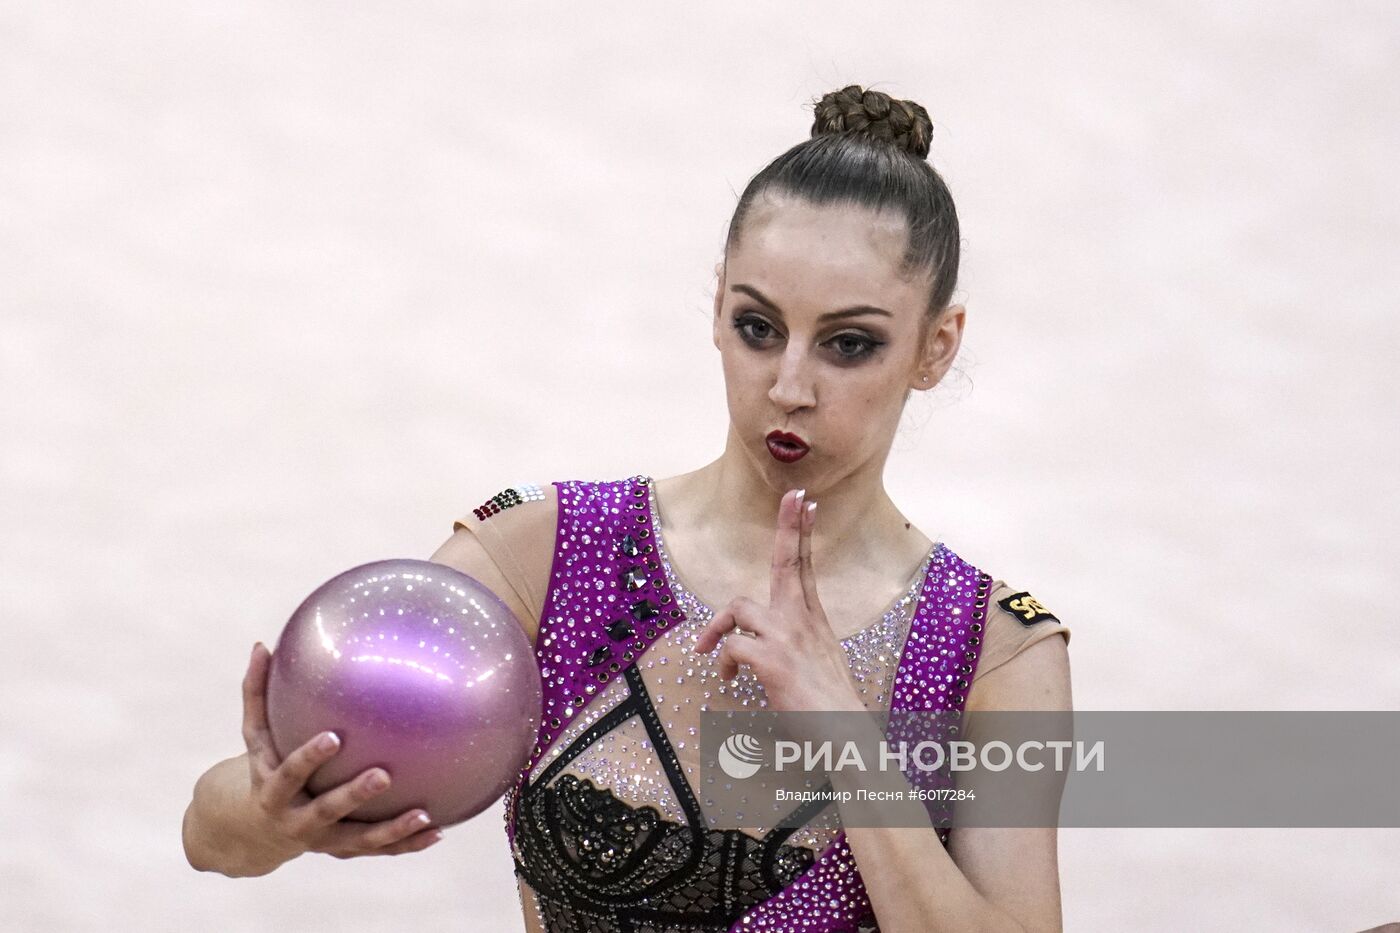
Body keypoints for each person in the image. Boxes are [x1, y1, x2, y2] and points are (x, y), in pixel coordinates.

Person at [182, 84, 1073, 933]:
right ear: (719, 301)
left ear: (935, 345)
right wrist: (272, 814)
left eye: (849, 344)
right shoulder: (545, 554)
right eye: (759, 327)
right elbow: (210, 835)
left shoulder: (992, 652)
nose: (789, 386)